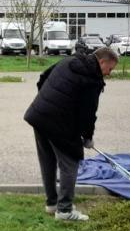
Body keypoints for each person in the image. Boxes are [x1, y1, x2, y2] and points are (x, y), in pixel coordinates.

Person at [24, 46, 118, 221]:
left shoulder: (70, 60)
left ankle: (52, 204)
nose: (109, 74)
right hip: (57, 121)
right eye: (110, 69)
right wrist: (88, 137)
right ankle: (65, 210)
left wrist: (48, 102)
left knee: (48, 161)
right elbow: (87, 114)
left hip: (39, 114)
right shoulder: (93, 79)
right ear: (102, 62)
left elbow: (43, 78)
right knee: (70, 162)